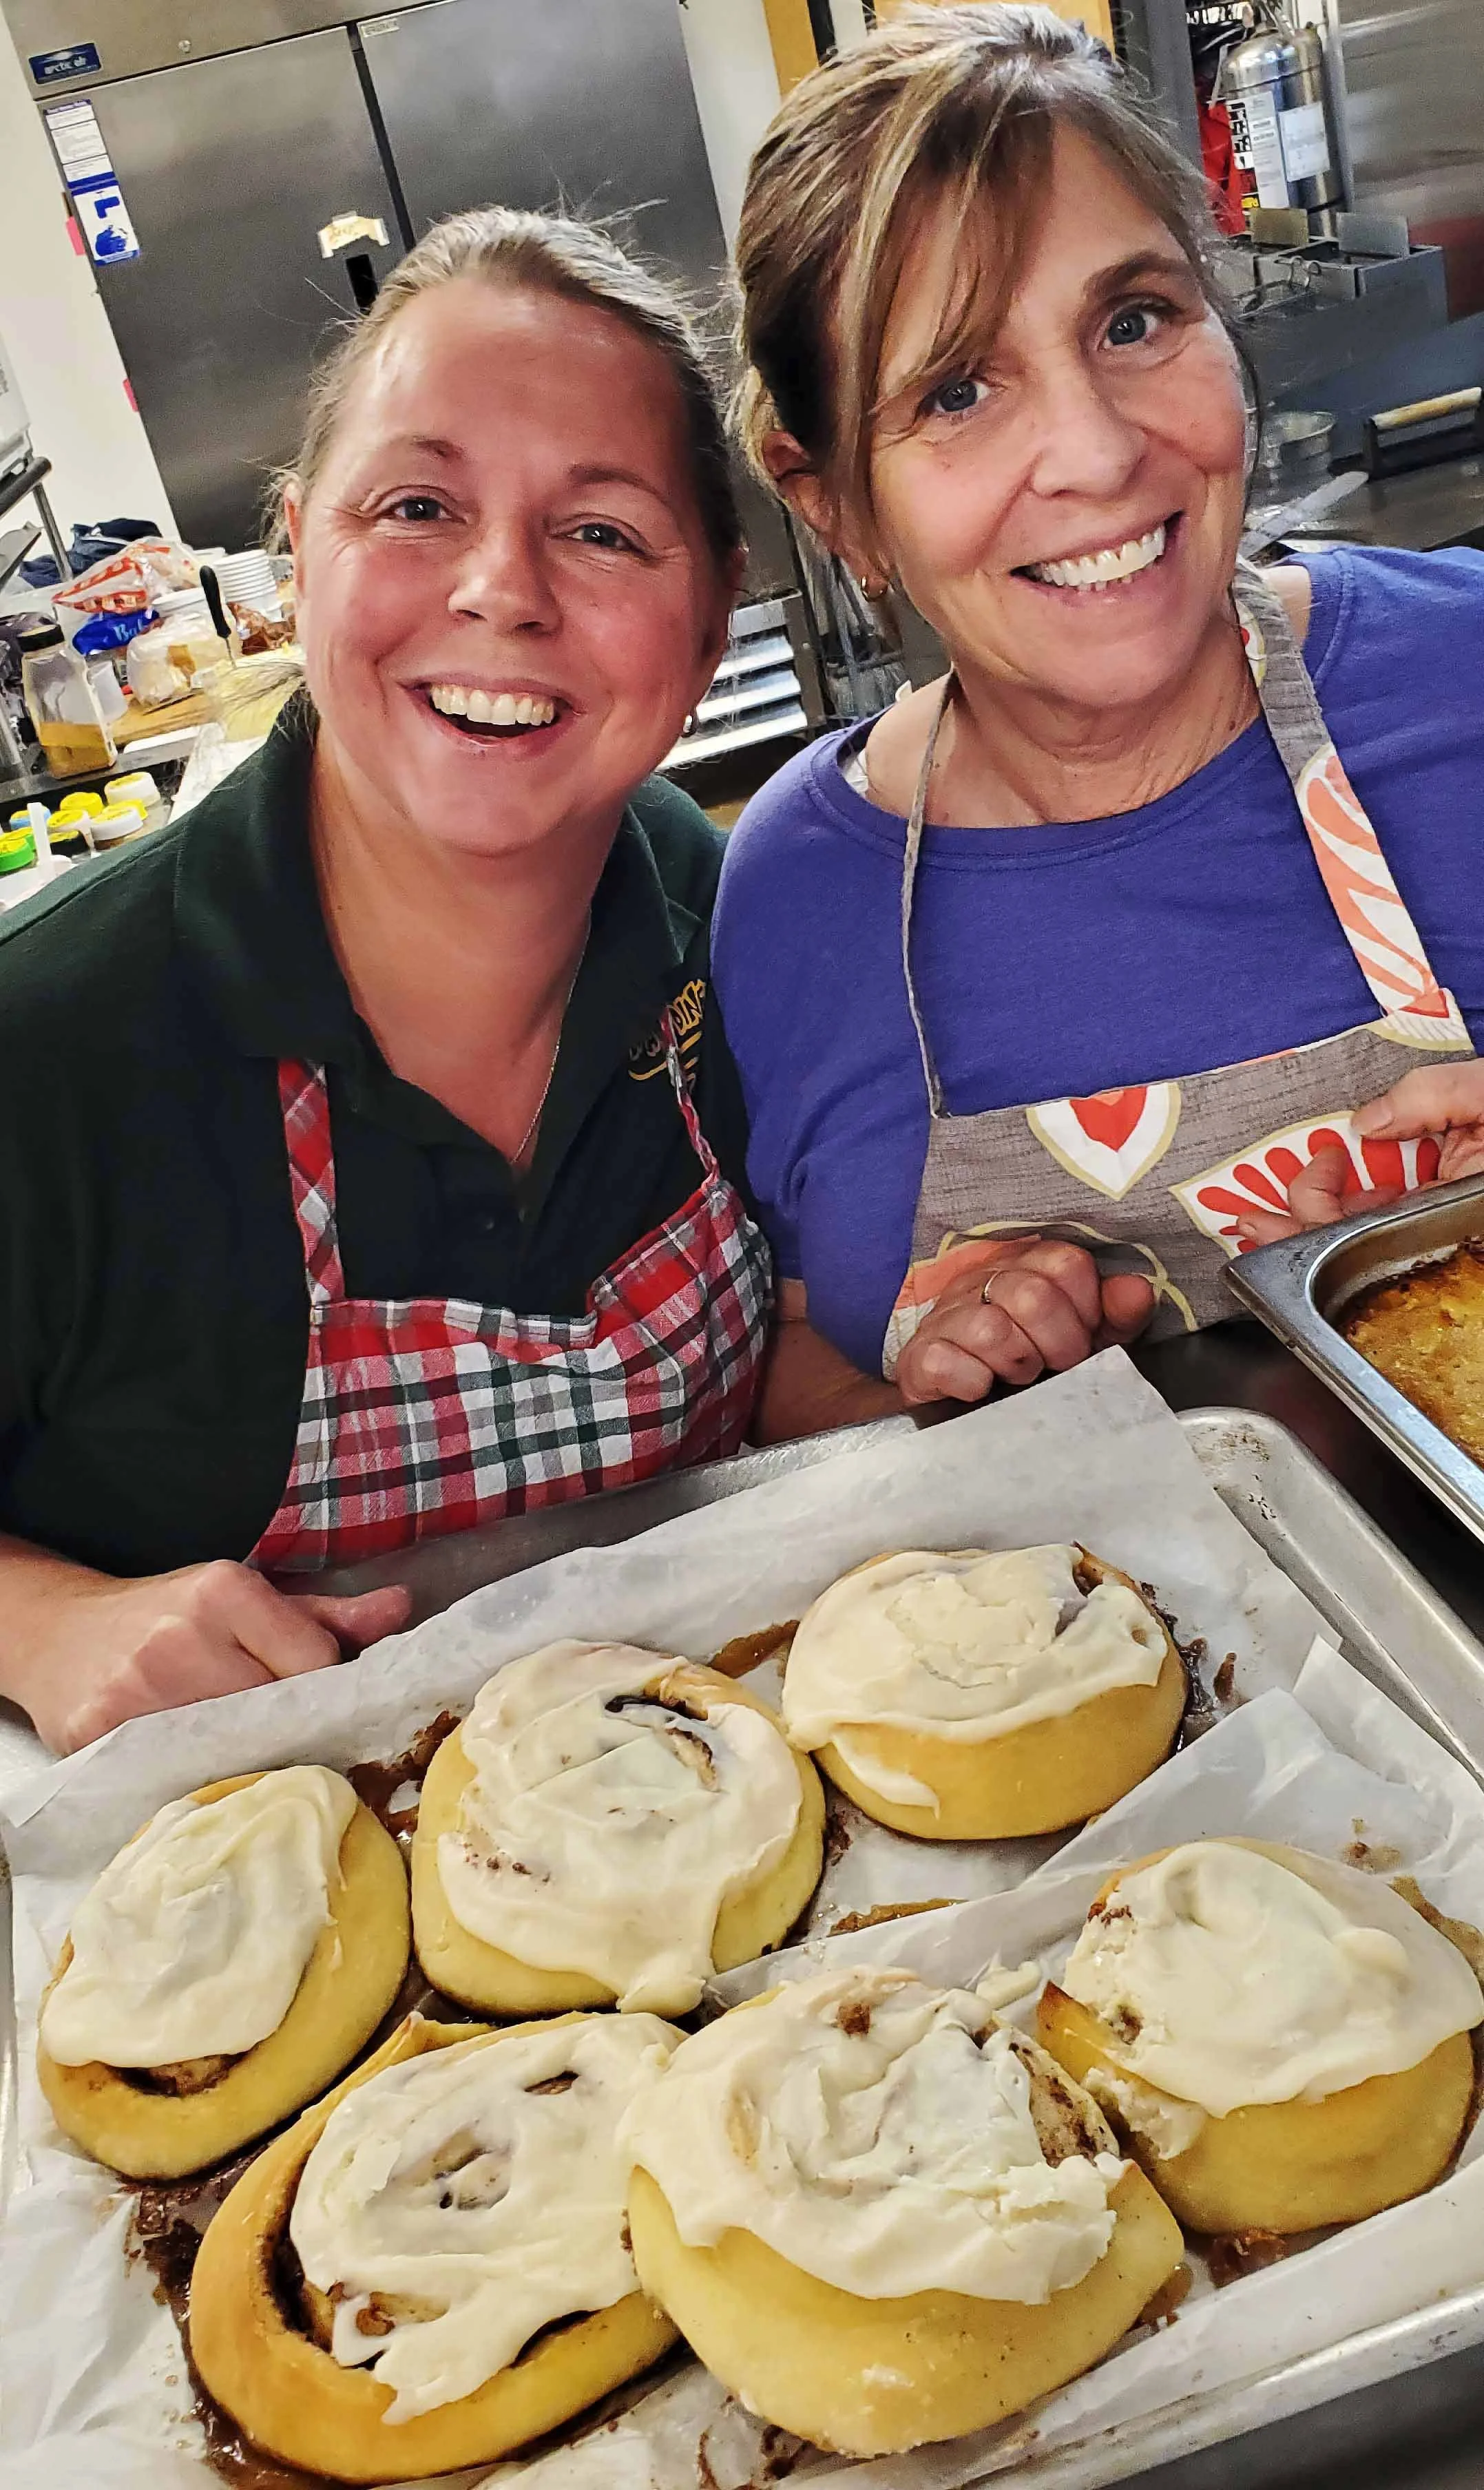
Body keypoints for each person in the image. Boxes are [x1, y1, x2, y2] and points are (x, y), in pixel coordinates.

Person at [0, 208, 768, 1753]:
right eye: (417, 505)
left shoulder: (706, 898)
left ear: (708, 627)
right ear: (298, 559)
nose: (502, 590)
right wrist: (38, 1621)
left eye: (603, 531)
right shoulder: (50, 1042)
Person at [712, 2, 1484, 1441]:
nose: (1096, 450)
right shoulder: (796, 888)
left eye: (1133, 321)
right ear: (833, 506)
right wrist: (951, 1387)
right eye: (956, 390)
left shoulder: (1462, 677)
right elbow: (800, 1361)